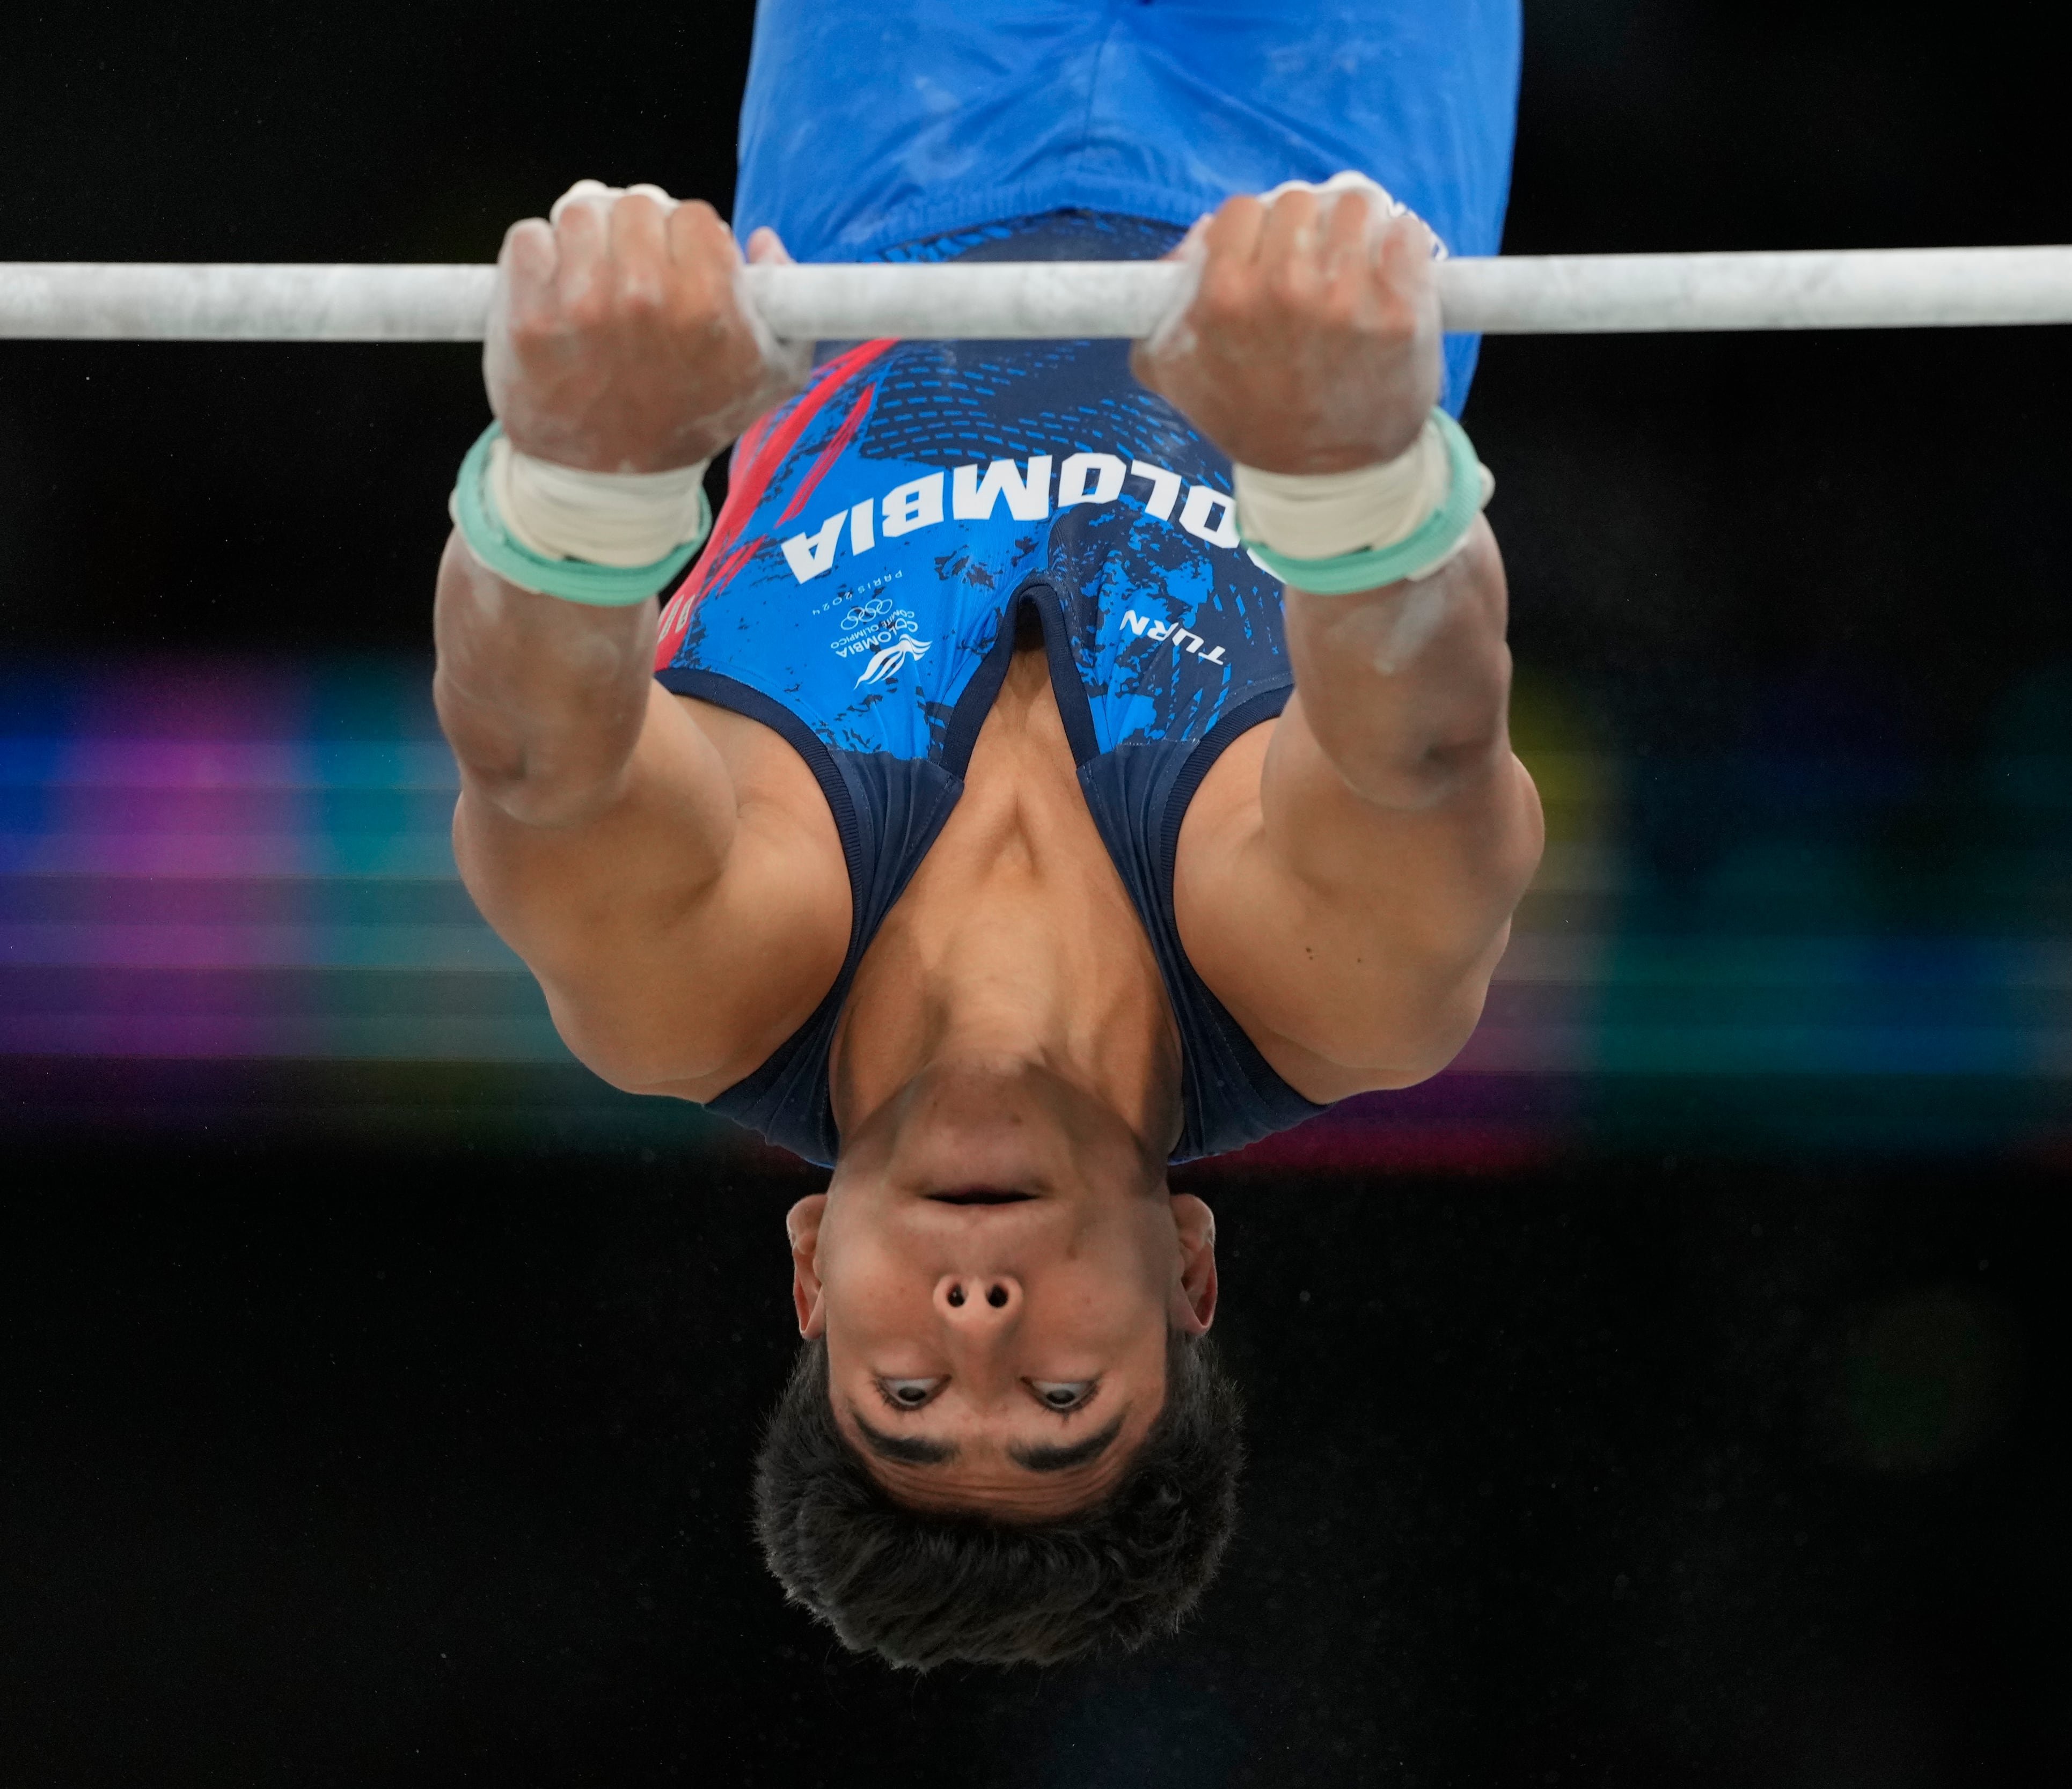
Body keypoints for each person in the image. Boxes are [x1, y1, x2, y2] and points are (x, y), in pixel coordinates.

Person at [431, 1, 1535, 1666]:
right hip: (1315, 176)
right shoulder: (1328, 989)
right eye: (1063, 1401)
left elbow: (538, 764)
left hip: (895, 170)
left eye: (909, 1395)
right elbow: (1427, 746)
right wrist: (1345, 468)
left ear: (811, 1280)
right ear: (1189, 1285)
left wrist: (579, 479)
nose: (981, 1328)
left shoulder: (716, 981)